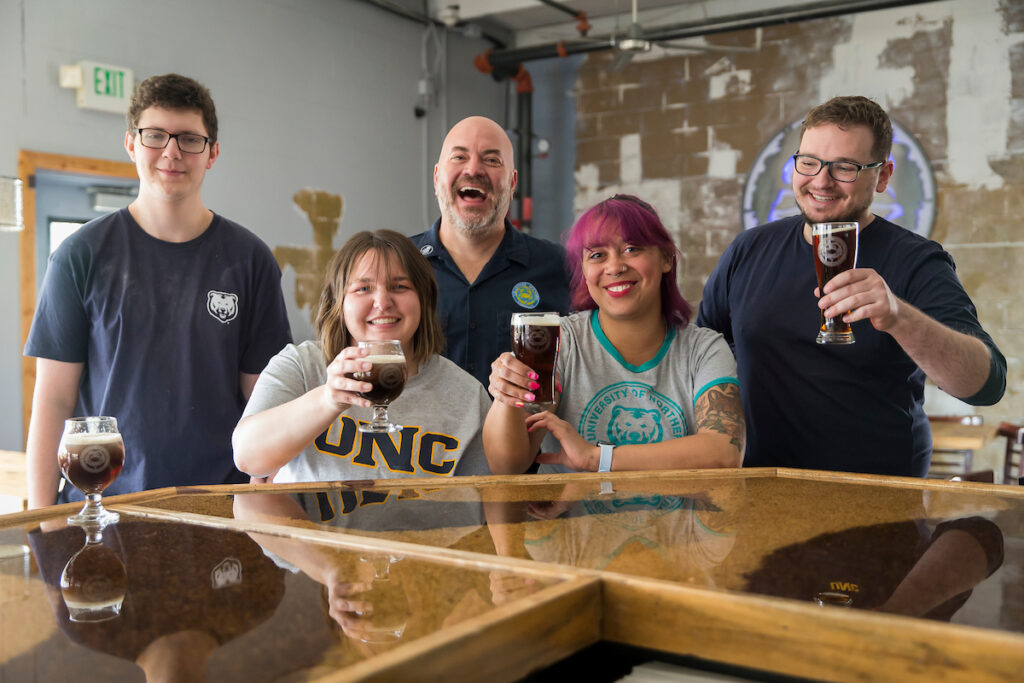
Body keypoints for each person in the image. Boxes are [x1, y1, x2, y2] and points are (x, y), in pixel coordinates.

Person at [697, 95, 1006, 477]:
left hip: (877, 493)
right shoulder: (749, 249)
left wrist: (899, 317)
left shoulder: (917, 260)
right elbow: (701, 357)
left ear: (884, 176)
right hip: (760, 485)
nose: (821, 181)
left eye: (845, 167)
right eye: (809, 163)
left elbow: (985, 385)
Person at [24, 73, 292, 508]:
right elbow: (53, 399)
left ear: (213, 153)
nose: (171, 152)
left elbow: (264, 401)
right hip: (102, 507)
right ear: (131, 144)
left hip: (220, 506)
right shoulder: (79, 256)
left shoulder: (251, 260)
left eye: (189, 139)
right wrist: (43, 519)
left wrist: (268, 501)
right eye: (155, 136)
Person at [485, 194, 745, 475]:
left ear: (667, 258)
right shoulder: (559, 341)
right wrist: (506, 395)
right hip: (570, 520)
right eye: (597, 255)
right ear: (584, 271)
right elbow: (507, 465)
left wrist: (595, 458)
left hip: (680, 521)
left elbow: (724, 452)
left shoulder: (704, 349)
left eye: (632, 249)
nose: (615, 267)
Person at [233, 229, 490, 482]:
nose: (382, 302)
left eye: (399, 286)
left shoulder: (466, 393)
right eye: (363, 288)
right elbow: (247, 458)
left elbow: (489, 502)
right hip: (310, 526)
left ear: (424, 299)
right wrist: (327, 400)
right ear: (339, 303)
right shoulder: (301, 366)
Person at [411, 115, 570, 387]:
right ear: (437, 177)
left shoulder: (560, 268)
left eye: (492, 160)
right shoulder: (398, 265)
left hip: (523, 431)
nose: (474, 169)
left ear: (512, 183)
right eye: (459, 157)